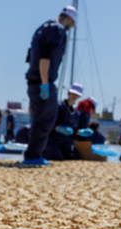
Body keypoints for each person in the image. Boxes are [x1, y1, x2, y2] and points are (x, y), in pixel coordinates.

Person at [20, 5, 77, 166]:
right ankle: (33, 156)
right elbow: (45, 57)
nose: (71, 28)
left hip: (33, 81)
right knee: (45, 120)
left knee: (38, 119)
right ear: (69, 19)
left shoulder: (42, 28)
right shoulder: (58, 30)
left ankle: (33, 154)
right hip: (43, 81)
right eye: (72, 24)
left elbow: (30, 58)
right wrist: (44, 84)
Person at [44, 83, 84, 160]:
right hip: (53, 140)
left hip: (66, 142)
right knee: (57, 157)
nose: (74, 96)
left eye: (77, 95)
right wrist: (58, 128)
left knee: (75, 156)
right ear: (69, 93)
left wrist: (77, 132)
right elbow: (49, 122)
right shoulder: (59, 106)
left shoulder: (76, 113)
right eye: (73, 93)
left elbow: (72, 130)